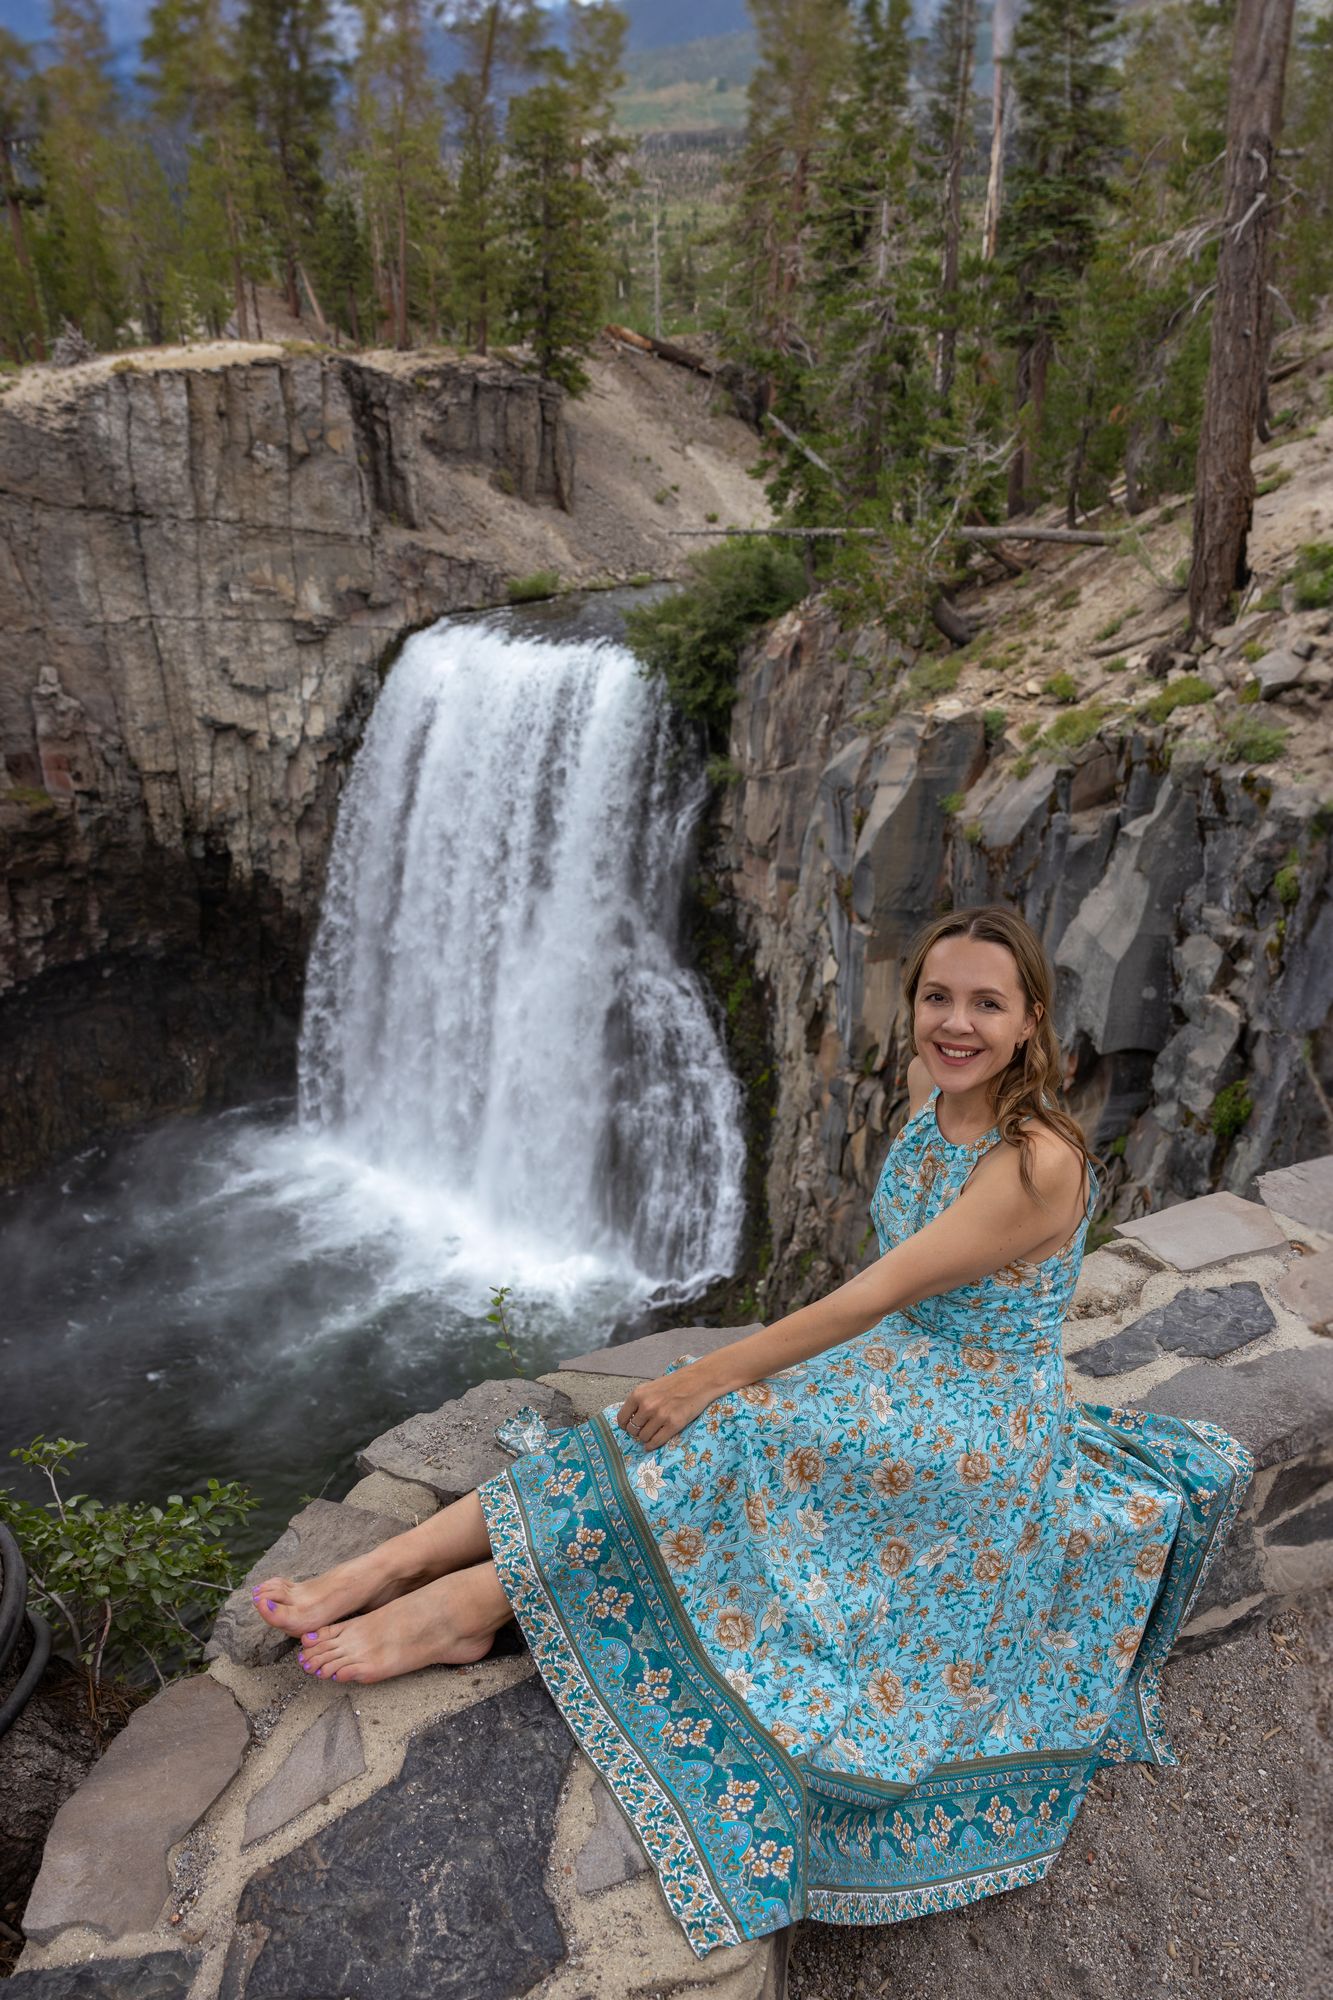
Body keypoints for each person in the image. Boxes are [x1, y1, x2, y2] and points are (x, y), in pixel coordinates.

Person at [252, 903, 1252, 1959]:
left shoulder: (1036, 1158)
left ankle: (465, 1601)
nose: (954, 1022)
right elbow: (879, 1313)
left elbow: (872, 1293)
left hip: (976, 1424)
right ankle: (394, 1564)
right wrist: (717, 1380)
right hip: (899, 1370)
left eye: (985, 1004)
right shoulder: (929, 1093)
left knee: (723, 1412)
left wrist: (715, 1377)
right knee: (709, 1408)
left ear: (1030, 1020)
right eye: (936, 997)